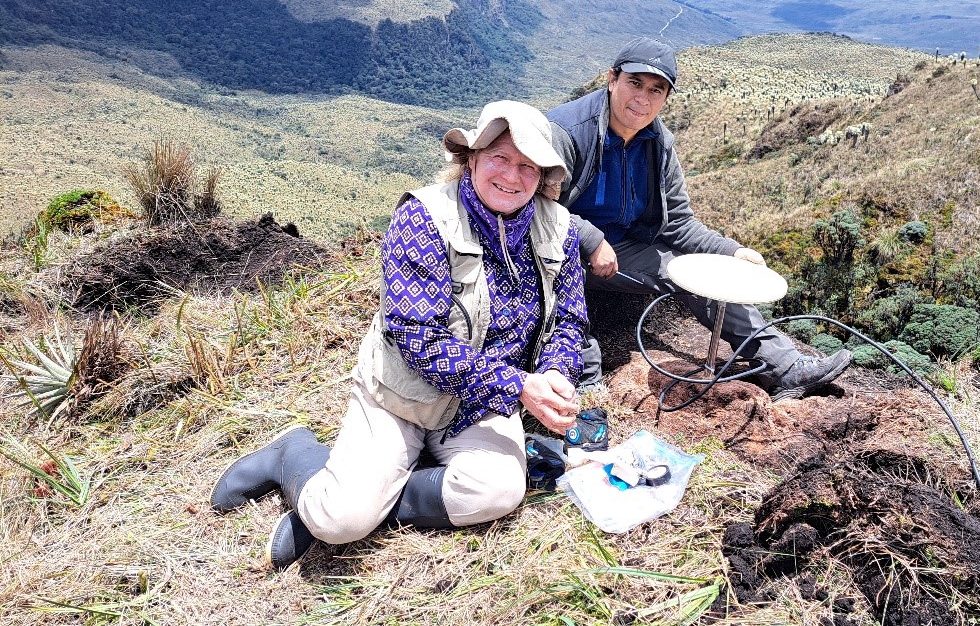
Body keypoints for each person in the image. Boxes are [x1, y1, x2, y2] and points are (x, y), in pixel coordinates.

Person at [210, 101, 587, 570]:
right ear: (470, 158)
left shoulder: (560, 229)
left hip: (479, 404)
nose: (513, 176)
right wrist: (519, 386)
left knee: (498, 491)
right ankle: (294, 453)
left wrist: (555, 373)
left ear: (543, 175)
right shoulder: (424, 218)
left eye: (528, 166)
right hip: (403, 394)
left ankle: (377, 496)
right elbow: (419, 339)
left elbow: (568, 319)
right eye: (500, 158)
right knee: (340, 522)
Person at [546, 37, 852, 400]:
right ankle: (583, 380)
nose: (643, 98)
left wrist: (732, 252)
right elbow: (533, 208)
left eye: (656, 90)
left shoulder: (658, 143)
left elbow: (678, 221)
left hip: (624, 249)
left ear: (666, 98)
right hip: (552, 247)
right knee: (552, 281)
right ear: (612, 79)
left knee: (694, 272)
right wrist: (590, 239)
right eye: (634, 83)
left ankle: (784, 367)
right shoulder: (565, 132)